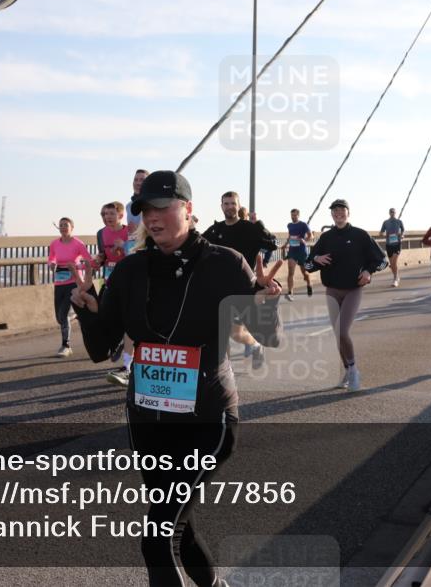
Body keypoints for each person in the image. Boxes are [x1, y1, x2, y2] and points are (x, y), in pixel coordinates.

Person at [71, 170, 283, 587]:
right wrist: (87, 309)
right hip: (149, 418)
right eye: (146, 210)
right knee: (175, 525)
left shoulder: (225, 264)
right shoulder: (131, 270)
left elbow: (266, 334)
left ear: (187, 208)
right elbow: (102, 347)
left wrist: (264, 300)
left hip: (209, 417)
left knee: (155, 537)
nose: (153, 218)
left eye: (162, 207)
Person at [305, 199, 386, 391]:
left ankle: (354, 370)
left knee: (342, 331)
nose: (338, 213)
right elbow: (308, 265)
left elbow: (382, 261)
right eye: (335, 211)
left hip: (353, 289)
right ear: (331, 215)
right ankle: (347, 372)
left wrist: (368, 272)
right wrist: (316, 258)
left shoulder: (360, 235)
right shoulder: (326, 237)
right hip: (332, 290)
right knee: (337, 335)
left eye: (342, 210)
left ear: (348, 213)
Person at [202, 191, 278, 368]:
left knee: (233, 333)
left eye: (233, 203)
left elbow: (272, 244)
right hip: (219, 287)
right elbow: (198, 245)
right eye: (226, 204)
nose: (229, 207)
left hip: (244, 287)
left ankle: (255, 345)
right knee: (221, 331)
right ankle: (223, 372)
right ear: (221, 206)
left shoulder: (249, 228)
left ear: (238, 206)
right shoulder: (216, 229)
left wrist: (259, 224)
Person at [96, 202, 133, 386]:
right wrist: (98, 259)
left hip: (127, 280)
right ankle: (118, 341)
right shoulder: (101, 233)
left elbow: (136, 254)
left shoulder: (129, 232)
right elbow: (103, 255)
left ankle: (127, 360)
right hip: (109, 279)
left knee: (128, 317)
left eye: (111, 213)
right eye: (104, 214)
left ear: (120, 215)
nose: (107, 217)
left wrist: (125, 246)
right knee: (105, 315)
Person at [47, 217, 92, 357]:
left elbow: (89, 261)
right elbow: (51, 258)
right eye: (61, 225)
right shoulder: (54, 244)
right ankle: (75, 314)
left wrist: (75, 267)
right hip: (59, 282)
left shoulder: (78, 243)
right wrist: (51, 265)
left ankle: (65, 345)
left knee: (63, 314)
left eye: (66, 225)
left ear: (72, 227)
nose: (63, 227)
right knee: (59, 317)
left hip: (74, 283)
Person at [282, 208, 314, 300]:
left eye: (295, 215)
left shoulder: (303, 224)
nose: (293, 217)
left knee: (305, 273)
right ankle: (290, 293)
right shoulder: (289, 225)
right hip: (292, 251)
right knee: (290, 272)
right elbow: (290, 236)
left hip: (301, 252)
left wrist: (304, 240)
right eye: (292, 215)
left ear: (298, 215)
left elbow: (310, 235)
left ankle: (309, 284)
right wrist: (285, 245)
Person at [125, 169, 150, 256]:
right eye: (136, 180)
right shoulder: (128, 206)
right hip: (132, 248)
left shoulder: (152, 204)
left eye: (142, 180)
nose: (138, 183)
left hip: (147, 248)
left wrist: (138, 230)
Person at [380, 208, 405, 287]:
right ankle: (397, 276)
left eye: (393, 212)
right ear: (389, 213)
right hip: (389, 244)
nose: (392, 213)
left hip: (397, 244)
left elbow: (403, 230)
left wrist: (401, 235)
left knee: (394, 263)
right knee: (392, 264)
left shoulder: (399, 222)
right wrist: (384, 234)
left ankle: (395, 279)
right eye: (391, 212)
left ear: (395, 213)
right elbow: (381, 233)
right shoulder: (385, 222)